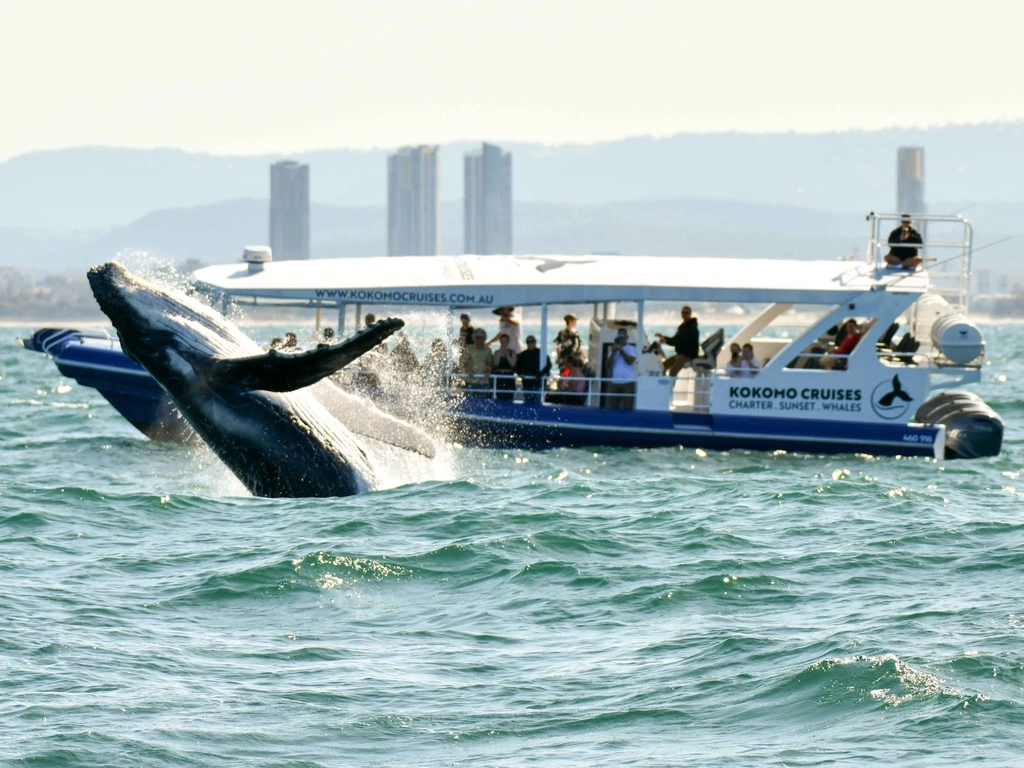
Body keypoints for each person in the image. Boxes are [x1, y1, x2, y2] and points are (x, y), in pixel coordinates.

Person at [656, 306, 700, 376]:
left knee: (672, 372)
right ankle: (664, 385)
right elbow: (676, 339)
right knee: (662, 367)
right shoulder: (683, 327)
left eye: (686, 313)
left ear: (690, 314)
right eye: (683, 312)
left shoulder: (692, 328)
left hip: (687, 355)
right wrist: (664, 338)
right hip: (680, 354)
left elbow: (681, 342)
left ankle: (670, 386)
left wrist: (666, 341)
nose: (684, 314)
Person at [605, 328, 637, 409]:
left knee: (628, 406)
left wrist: (621, 350)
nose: (621, 337)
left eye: (623, 335)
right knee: (613, 406)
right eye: (619, 335)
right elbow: (608, 365)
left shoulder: (631, 348)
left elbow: (630, 361)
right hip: (615, 382)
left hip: (628, 381)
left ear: (627, 337)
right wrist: (613, 353)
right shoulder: (613, 350)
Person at [515, 334, 552, 403]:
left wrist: (539, 375)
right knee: (527, 404)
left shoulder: (541, 353)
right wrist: (520, 373)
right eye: (528, 342)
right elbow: (517, 367)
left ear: (535, 342)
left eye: (532, 341)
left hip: (538, 383)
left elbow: (548, 365)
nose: (530, 343)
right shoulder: (522, 355)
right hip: (527, 383)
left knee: (538, 403)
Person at [461, 328, 492, 393]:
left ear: (484, 338)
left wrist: (488, 370)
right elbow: (463, 361)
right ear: (474, 338)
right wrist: (468, 370)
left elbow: (490, 363)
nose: (479, 339)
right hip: (471, 380)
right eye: (477, 337)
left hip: (484, 381)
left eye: (481, 337)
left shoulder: (488, 350)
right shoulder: (469, 348)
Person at [491, 333, 518, 400]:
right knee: (499, 395)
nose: (504, 343)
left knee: (509, 396)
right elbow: (496, 364)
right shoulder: (497, 352)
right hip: (499, 376)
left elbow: (513, 364)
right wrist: (500, 353)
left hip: (509, 376)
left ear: (508, 341)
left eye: (505, 341)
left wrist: (507, 354)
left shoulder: (512, 352)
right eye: (502, 341)